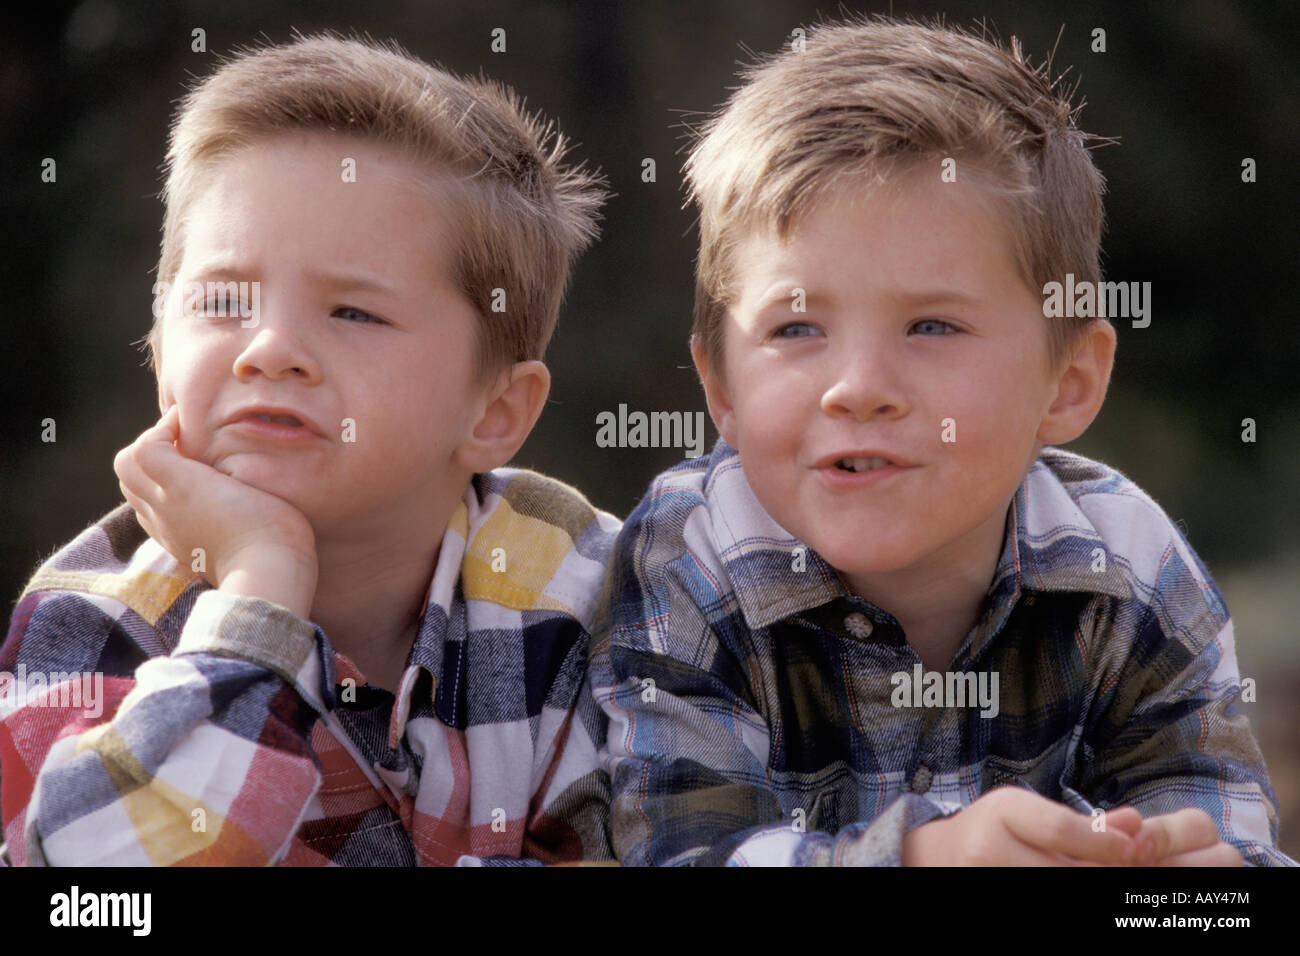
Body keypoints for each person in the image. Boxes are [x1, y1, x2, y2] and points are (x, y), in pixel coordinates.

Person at [589, 16, 1293, 866]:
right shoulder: (689, 555)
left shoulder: (1126, 559)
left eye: (932, 324)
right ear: (720, 388)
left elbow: (1227, 841)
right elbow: (680, 853)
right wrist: (917, 860)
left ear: (1068, 381)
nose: (858, 387)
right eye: (798, 327)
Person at [0, 34, 618, 866]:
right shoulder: (96, 623)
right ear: (157, 351)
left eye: (352, 313)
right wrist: (261, 589)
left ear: (495, 410)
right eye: (223, 299)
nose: (270, 348)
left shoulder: (579, 591)